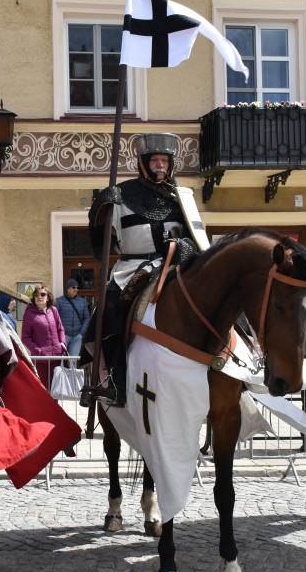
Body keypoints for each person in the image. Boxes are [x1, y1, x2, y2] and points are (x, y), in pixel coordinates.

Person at [84, 132, 200, 406]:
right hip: (131, 268)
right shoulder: (122, 193)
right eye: (155, 160)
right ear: (144, 163)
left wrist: (187, 248)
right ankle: (114, 381)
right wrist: (99, 208)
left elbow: (198, 237)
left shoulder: (182, 196)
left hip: (174, 266)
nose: (160, 165)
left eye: (164, 160)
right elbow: (99, 244)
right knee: (108, 310)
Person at [22, 285, 67, 389]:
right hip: (40, 360)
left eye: (43, 294)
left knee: (56, 389)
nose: (39, 297)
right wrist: (38, 351)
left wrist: (62, 344)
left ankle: (54, 406)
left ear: (48, 297)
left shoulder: (54, 310)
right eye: (36, 295)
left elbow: (61, 329)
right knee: (40, 389)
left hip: (56, 357)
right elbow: (25, 337)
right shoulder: (29, 313)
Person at [56, 278, 91, 358]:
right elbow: (54, 318)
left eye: (77, 287)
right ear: (68, 288)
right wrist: (59, 332)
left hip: (77, 336)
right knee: (60, 359)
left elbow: (87, 317)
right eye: (73, 287)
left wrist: (81, 332)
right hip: (63, 335)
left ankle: (73, 371)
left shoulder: (82, 301)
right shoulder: (59, 301)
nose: (76, 289)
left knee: (73, 360)